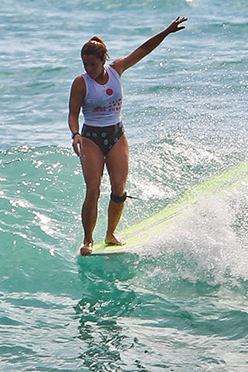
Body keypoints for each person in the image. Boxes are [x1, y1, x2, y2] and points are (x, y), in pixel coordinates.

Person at [68, 17, 187, 255]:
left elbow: (143, 49)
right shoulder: (81, 83)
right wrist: (75, 134)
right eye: (85, 64)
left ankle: (110, 234)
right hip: (91, 137)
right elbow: (72, 114)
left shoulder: (117, 69)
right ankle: (88, 240)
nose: (88, 69)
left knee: (119, 190)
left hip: (116, 134)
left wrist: (166, 32)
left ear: (104, 60)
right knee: (93, 189)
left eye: (92, 64)